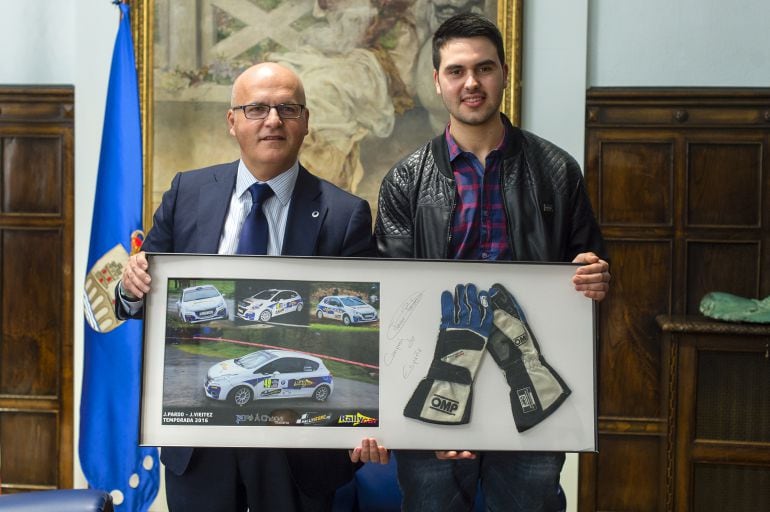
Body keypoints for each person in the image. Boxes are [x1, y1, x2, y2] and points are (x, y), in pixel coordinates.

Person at [116, 62, 387, 512]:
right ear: (232, 121)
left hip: (298, 449)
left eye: (288, 108)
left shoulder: (345, 215)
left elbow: (372, 332)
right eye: (257, 108)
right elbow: (141, 300)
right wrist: (131, 286)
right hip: (200, 445)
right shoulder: (188, 192)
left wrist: (372, 419)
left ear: (305, 122)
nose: (273, 120)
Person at [375, 13, 611, 512]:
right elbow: (395, 303)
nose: (471, 83)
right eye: (457, 71)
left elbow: (591, 270)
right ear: (437, 81)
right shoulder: (404, 181)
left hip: (531, 390)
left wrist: (596, 274)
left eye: (484, 68)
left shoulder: (556, 170)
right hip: (438, 383)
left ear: (504, 73)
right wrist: (437, 408)